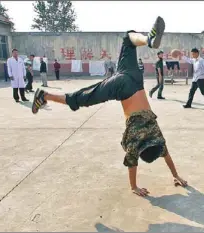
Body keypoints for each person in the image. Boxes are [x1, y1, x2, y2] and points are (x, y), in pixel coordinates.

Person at [31, 16, 187, 196]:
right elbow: (131, 160)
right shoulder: (136, 138)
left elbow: (166, 155)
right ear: (144, 149)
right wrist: (134, 187)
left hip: (133, 78)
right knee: (83, 97)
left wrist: (176, 175)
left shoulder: (157, 135)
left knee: (128, 38)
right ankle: (45, 95)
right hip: (122, 88)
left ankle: (148, 40)